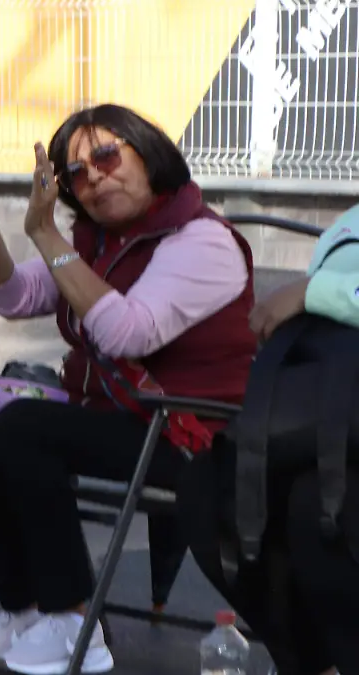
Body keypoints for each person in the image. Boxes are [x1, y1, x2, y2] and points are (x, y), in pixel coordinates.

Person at [0, 104, 256, 674]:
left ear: (148, 156)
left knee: (28, 430)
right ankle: (27, 613)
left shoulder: (202, 241)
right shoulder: (98, 240)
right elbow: (13, 298)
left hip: (191, 432)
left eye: (106, 156)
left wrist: (47, 233)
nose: (94, 177)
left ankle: (73, 618)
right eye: (76, 172)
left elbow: (128, 332)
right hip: (116, 418)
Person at [180, 205, 359, 675]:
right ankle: (308, 664)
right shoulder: (350, 222)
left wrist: (313, 292)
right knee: (212, 491)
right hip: (324, 413)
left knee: (320, 509)